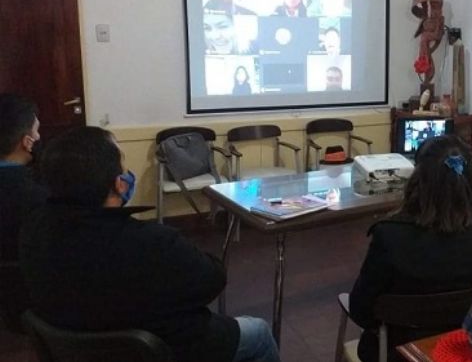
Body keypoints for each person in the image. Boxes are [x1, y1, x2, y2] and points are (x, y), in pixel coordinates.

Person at [19, 127, 280, 362]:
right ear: (119, 185)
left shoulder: (34, 228)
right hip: (164, 348)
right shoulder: (151, 242)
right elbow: (213, 279)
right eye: (123, 163)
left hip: (71, 348)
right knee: (258, 331)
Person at [349, 135, 472, 362]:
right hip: (469, 348)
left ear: (417, 179)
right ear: (470, 179)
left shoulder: (390, 235)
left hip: (400, 353)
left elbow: (360, 310)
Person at [0, 94, 45, 332]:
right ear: (27, 142)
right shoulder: (40, 196)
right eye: (37, 132)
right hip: (34, 299)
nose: (39, 138)